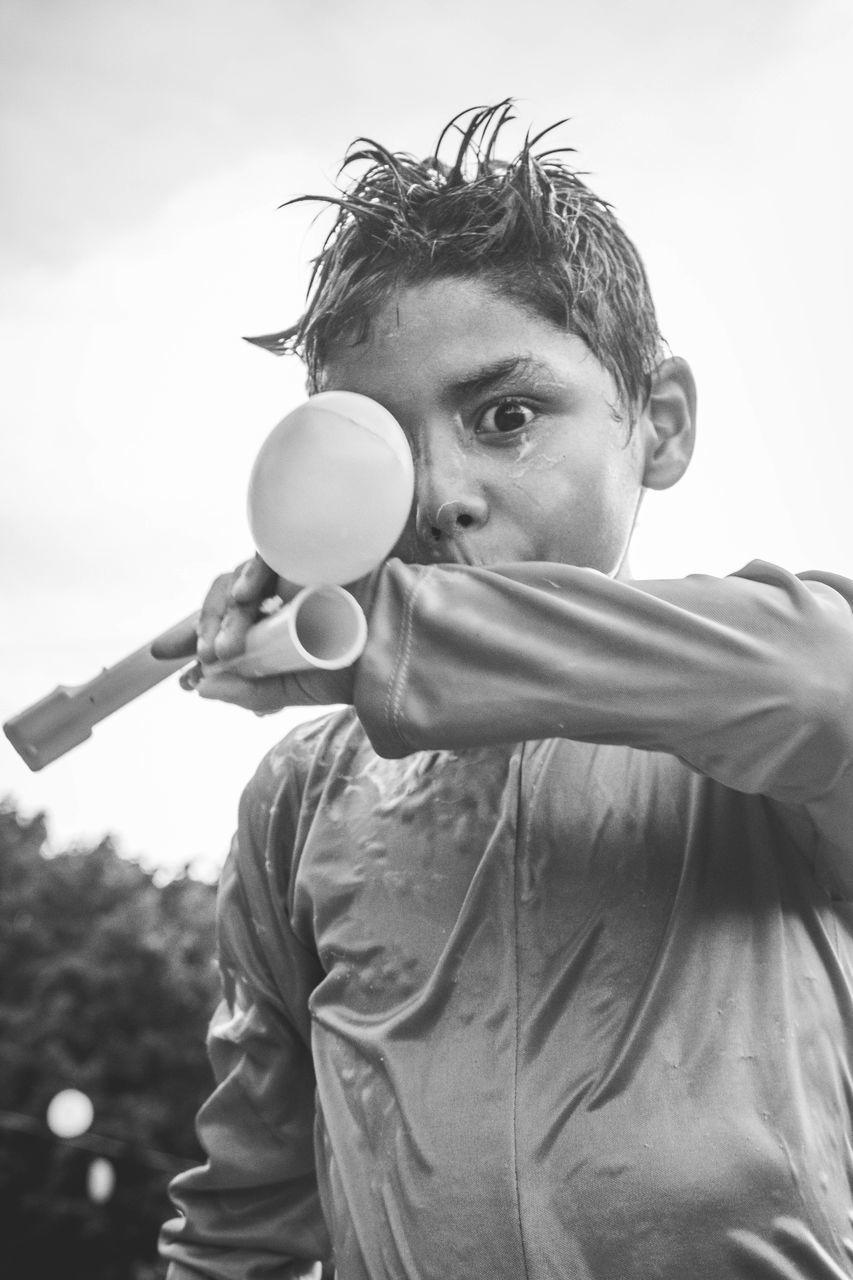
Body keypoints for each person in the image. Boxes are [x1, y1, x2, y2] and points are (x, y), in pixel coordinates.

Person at [155, 102, 853, 1280]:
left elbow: (823, 681)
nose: (440, 494)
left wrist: (385, 632)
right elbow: (242, 1221)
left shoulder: (756, 732)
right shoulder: (297, 799)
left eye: (507, 416)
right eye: (377, 443)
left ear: (660, 423)